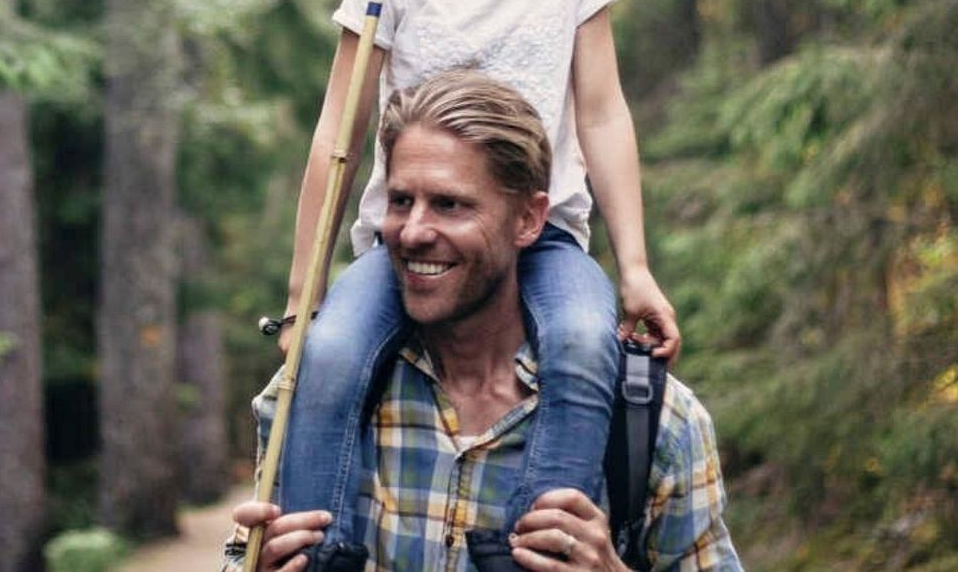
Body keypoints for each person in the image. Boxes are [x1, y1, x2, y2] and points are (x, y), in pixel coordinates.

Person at [274, 0, 683, 552]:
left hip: (549, 241)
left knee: (579, 341)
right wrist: (299, 296)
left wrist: (634, 266)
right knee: (332, 352)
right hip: (413, 243)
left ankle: (536, 547)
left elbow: (603, 113)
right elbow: (336, 138)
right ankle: (321, 552)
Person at [230, 70, 739, 571]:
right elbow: (238, 557)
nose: (412, 232)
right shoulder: (314, 391)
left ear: (529, 219)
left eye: (450, 205)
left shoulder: (652, 421)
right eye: (401, 200)